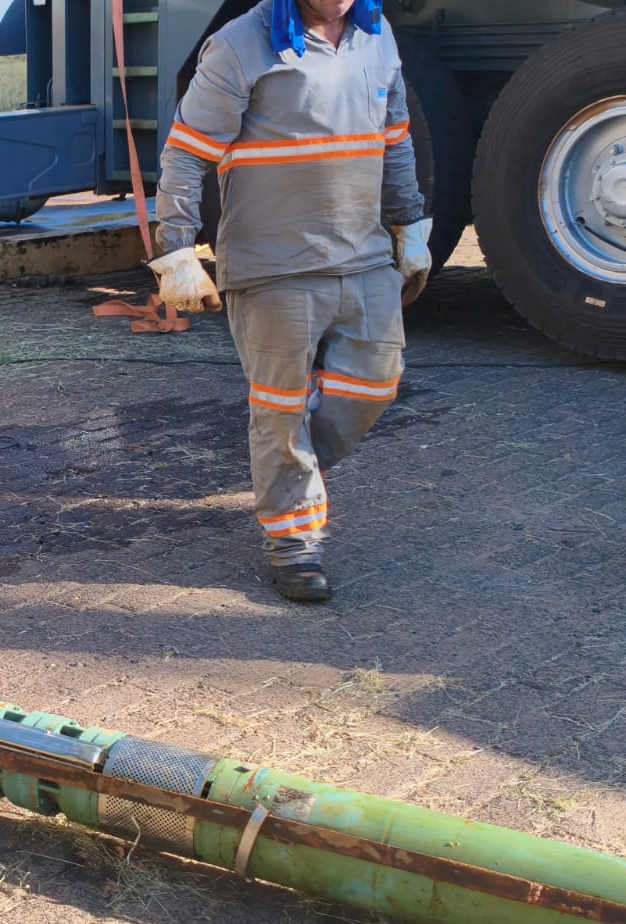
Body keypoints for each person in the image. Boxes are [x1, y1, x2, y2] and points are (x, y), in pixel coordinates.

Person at [150, 0, 431, 603]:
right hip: (273, 266)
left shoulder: (377, 39)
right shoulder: (240, 43)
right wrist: (175, 249)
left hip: (364, 255)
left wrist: (409, 228)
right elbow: (187, 152)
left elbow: (397, 139)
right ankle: (294, 543)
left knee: (375, 387)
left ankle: (287, 470)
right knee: (280, 409)